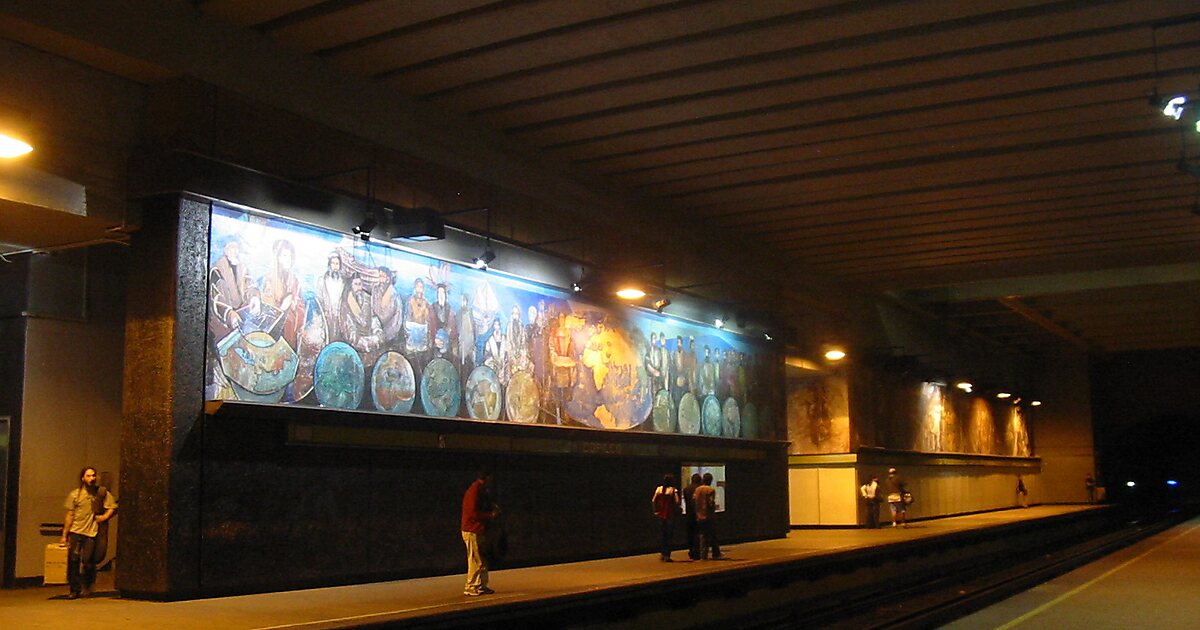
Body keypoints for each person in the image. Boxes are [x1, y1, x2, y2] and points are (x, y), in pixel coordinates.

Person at [61, 467, 117, 599]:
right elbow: (70, 515)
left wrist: (103, 517)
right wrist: (64, 534)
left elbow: (112, 507)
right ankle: (74, 589)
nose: (91, 479)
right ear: (83, 478)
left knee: (88, 560)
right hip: (76, 530)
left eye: (93, 476)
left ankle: (88, 585)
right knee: (74, 560)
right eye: (88, 476)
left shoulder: (101, 493)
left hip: (91, 532)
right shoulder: (75, 495)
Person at [461, 469, 499, 596]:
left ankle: (481, 585)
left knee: (482, 558)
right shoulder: (474, 491)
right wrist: (490, 515)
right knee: (475, 559)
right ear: (486, 478)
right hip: (472, 529)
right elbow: (472, 513)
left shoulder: (481, 491)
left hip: (478, 529)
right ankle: (471, 586)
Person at [651, 474, 681, 562]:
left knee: (662, 535)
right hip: (669, 515)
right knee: (669, 536)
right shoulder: (673, 490)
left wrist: (655, 511)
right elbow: (677, 501)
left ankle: (662, 553)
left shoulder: (659, 489)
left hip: (660, 515)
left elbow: (653, 500)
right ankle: (667, 555)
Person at [694, 472, 722, 559]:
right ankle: (716, 553)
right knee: (713, 534)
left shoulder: (697, 489)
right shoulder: (711, 490)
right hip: (709, 515)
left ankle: (703, 554)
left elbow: (694, 500)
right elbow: (710, 502)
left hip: (699, 515)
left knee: (702, 535)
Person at [681, 472, 702, 560]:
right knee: (697, 533)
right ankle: (696, 552)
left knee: (689, 533)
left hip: (688, 513)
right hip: (697, 513)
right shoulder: (699, 489)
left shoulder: (686, 489)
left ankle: (690, 550)